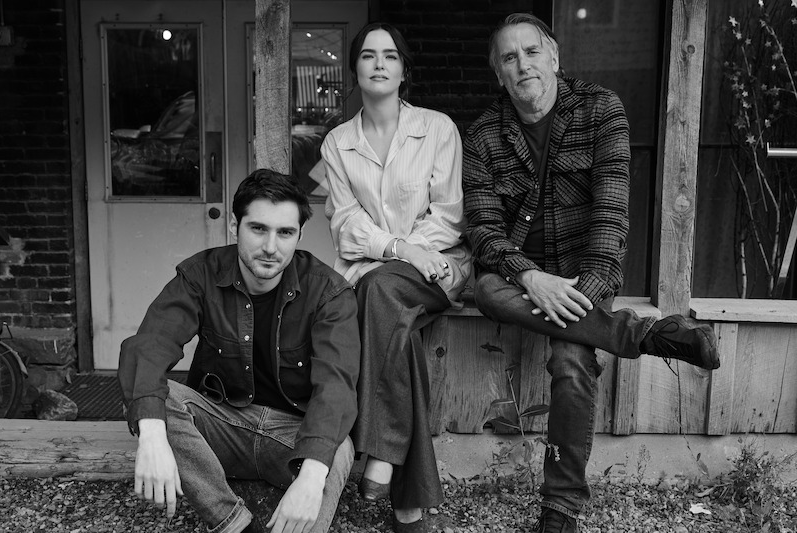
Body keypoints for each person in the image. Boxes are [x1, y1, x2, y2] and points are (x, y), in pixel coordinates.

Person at [462, 13, 720, 533]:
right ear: (499, 74)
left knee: (573, 363)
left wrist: (585, 290)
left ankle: (559, 514)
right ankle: (645, 333)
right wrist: (531, 277)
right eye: (509, 58)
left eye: (531, 52)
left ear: (554, 57)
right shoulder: (483, 134)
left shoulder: (601, 110)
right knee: (486, 289)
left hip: (582, 275)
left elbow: (611, 218)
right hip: (518, 278)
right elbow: (485, 232)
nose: (522, 65)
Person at [117, 170, 360, 533]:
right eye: (258, 229)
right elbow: (150, 345)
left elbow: (336, 387)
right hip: (223, 426)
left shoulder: (327, 291)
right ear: (235, 226)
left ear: (300, 235)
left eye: (285, 233)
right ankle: (235, 526)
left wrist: (310, 478)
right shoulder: (202, 274)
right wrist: (152, 435)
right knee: (156, 400)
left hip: (290, 437)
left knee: (335, 452)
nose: (270, 247)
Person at [321, 22, 471, 533]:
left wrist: (409, 253)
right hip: (374, 272)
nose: (379, 63)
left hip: (439, 266)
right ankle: (409, 507)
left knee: (384, 291)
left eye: (390, 55)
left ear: (405, 69)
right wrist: (396, 249)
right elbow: (345, 224)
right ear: (354, 68)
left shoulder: (437, 128)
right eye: (368, 55)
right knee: (394, 320)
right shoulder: (337, 144)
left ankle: (381, 449)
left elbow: (449, 214)